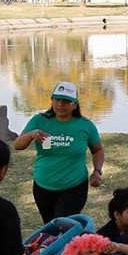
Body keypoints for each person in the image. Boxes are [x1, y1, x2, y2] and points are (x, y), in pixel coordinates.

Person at [13, 81, 105, 224]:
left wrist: (97, 171)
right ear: (52, 100)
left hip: (74, 186)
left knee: (62, 225)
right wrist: (31, 134)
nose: (60, 104)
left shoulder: (85, 125)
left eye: (66, 101)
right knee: (50, 227)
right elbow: (17, 145)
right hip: (43, 185)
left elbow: (97, 150)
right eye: (57, 99)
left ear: (74, 104)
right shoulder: (39, 120)